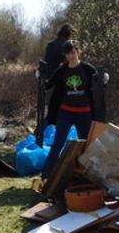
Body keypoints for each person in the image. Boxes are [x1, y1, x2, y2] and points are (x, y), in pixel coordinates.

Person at [41, 40, 105, 180]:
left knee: (87, 145)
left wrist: (104, 79)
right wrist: (40, 78)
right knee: (58, 143)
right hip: (66, 112)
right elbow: (48, 84)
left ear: (78, 52)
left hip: (84, 113)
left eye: (73, 52)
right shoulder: (62, 70)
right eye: (68, 54)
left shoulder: (87, 69)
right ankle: (46, 176)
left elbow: (98, 82)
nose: (71, 56)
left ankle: (91, 176)